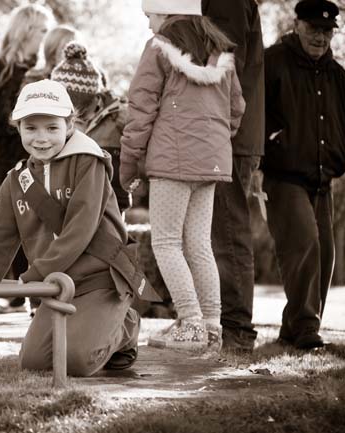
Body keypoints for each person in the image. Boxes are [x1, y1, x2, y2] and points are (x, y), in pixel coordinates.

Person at [0, 80, 141, 376]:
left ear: (69, 125)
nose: (41, 138)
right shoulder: (15, 181)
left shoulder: (89, 163)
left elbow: (80, 229)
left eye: (52, 127)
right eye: (31, 128)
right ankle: (95, 328)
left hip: (101, 278)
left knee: (77, 361)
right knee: (34, 362)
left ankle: (126, 327)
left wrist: (34, 275)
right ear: (18, 128)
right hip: (55, 287)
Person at [120, 0, 245, 351]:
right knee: (199, 244)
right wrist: (212, 143)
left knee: (166, 243)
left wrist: (128, 163)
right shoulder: (222, 55)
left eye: (150, 17)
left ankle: (190, 323)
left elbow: (140, 109)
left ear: (166, 13)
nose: (150, 25)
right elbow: (236, 109)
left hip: (172, 163)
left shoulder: (158, 49)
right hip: (211, 162)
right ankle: (212, 326)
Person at [262, 0, 345, 350]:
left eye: (327, 31)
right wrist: (269, 144)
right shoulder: (272, 62)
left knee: (325, 255)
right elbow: (250, 111)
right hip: (284, 176)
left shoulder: (338, 77)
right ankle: (306, 326)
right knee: (305, 244)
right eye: (314, 28)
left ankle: (294, 328)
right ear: (297, 25)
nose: (321, 37)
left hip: (322, 181)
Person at [0, 4, 53, 314]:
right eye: (42, 30)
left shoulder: (47, 70)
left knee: (44, 226)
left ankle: (40, 295)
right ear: (26, 31)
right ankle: (19, 295)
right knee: (14, 226)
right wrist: (18, 123)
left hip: (45, 158)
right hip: (8, 159)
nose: (46, 36)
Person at [201, 0, 265, 352]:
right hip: (229, 135)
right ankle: (227, 326)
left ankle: (236, 330)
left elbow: (225, 68)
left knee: (226, 233)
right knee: (222, 232)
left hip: (227, 137)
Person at [50, 41, 131, 214]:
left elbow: (140, 147)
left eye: (82, 110)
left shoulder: (120, 117)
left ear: (96, 97)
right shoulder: (57, 121)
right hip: (73, 201)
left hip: (114, 199)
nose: (75, 117)